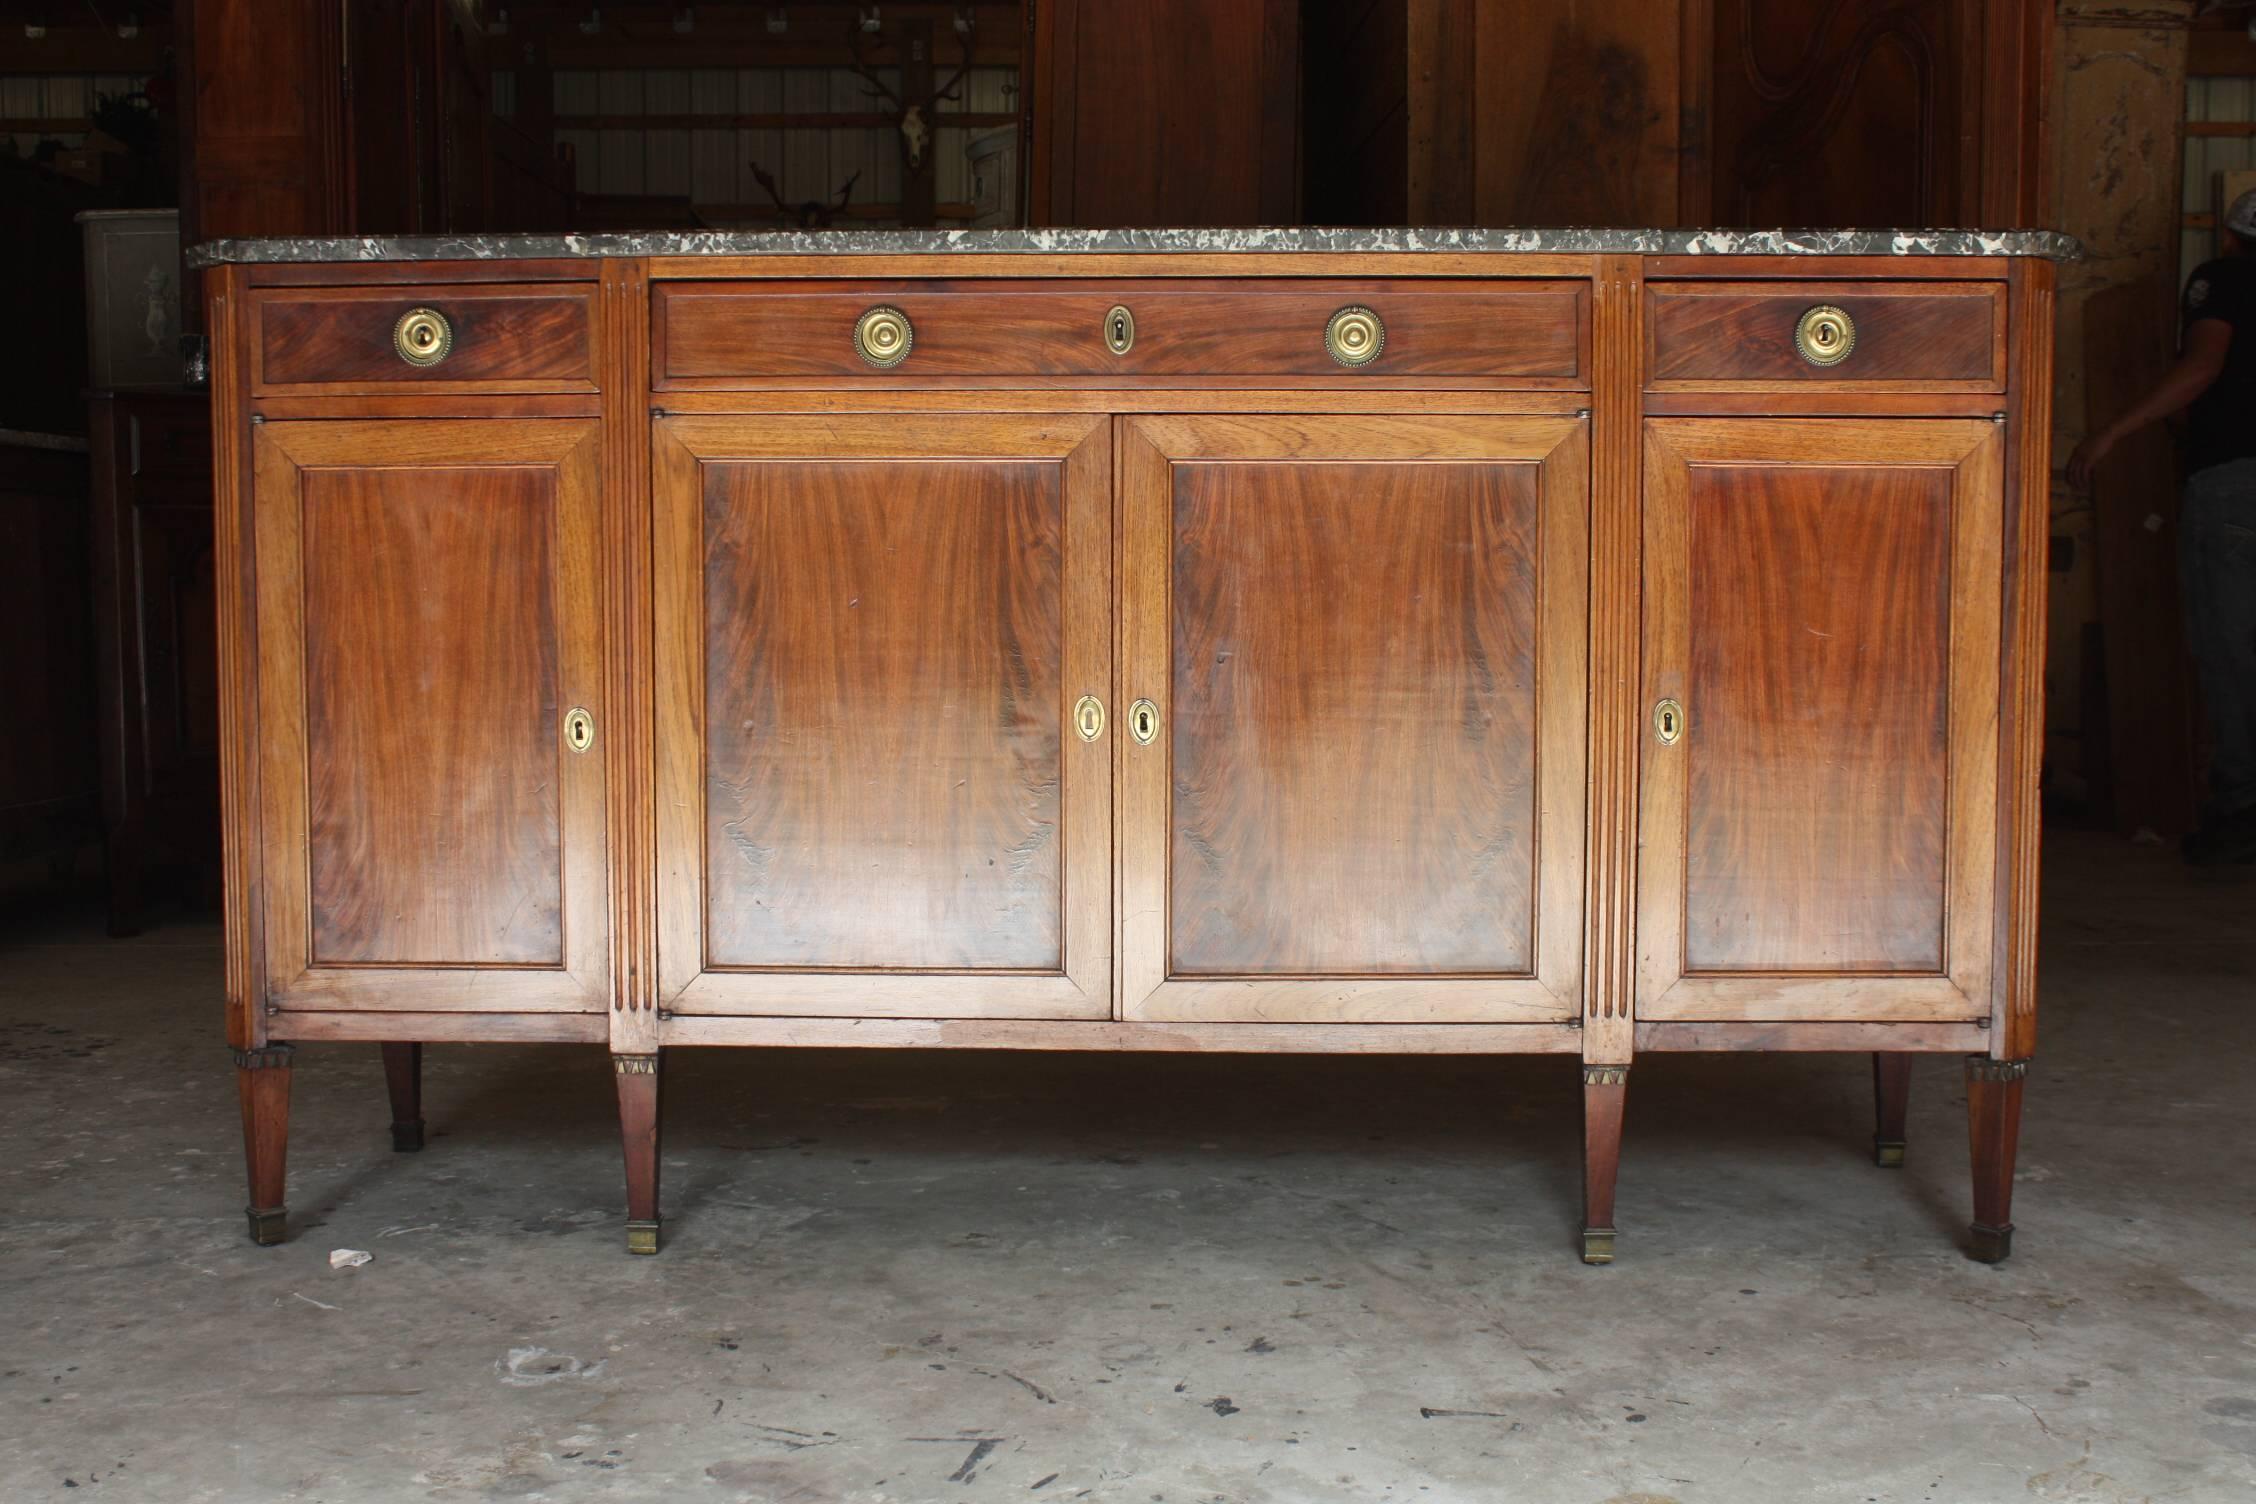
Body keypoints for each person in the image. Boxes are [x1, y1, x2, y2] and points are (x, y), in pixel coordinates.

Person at [2069, 187, 2256, 865]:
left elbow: (2203, 365)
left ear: (2227, 235)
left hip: (2235, 484)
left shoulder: (2222, 280)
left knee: (2229, 654)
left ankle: (2239, 813)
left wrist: (2112, 434)